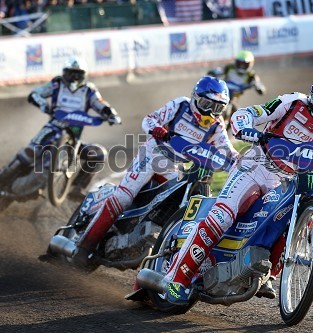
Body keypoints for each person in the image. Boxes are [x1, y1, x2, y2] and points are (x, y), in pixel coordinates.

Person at [162, 68, 313, 304]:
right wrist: (247, 130)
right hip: (256, 165)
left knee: (292, 222)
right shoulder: (292, 102)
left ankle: (265, 273)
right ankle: (176, 279)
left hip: (285, 183)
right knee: (222, 216)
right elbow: (247, 115)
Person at [72, 75, 239, 263]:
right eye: (207, 104)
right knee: (123, 197)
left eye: (218, 107)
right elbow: (149, 120)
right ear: (196, 98)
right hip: (152, 154)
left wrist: (240, 162)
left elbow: (228, 150)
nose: (211, 112)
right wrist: (158, 130)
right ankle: (83, 247)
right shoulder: (180, 105)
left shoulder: (217, 126)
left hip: (175, 167)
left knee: (171, 204)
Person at [0, 56, 121, 199]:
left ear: (84, 75)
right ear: (64, 73)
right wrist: (44, 106)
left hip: (73, 139)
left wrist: (111, 115)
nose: (73, 78)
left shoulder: (89, 90)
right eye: (70, 73)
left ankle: (77, 188)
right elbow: (35, 93)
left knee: (98, 154)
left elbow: (100, 103)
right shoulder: (57, 84)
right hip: (51, 129)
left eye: (78, 74)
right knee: (29, 152)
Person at [208, 50, 266, 128]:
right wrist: (215, 72)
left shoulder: (251, 75)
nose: (241, 66)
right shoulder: (230, 67)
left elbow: (259, 84)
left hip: (234, 98)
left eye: (244, 64)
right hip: (222, 92)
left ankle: (229, 130)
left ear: (250, 64)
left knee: (238, 114)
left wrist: (258, 87)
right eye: (240, 63)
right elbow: (220, 71)